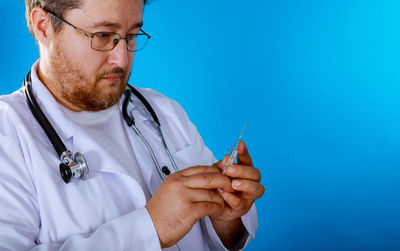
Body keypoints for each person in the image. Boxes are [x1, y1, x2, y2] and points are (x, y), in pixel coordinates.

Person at [0, 0, 264, 250]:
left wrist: (225, 217)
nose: (122, 60)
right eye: (103, 35)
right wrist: (151, 228)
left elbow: (223, 237)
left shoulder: (163, 111)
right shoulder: (8, 131)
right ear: (43, 26)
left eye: (132, 36)